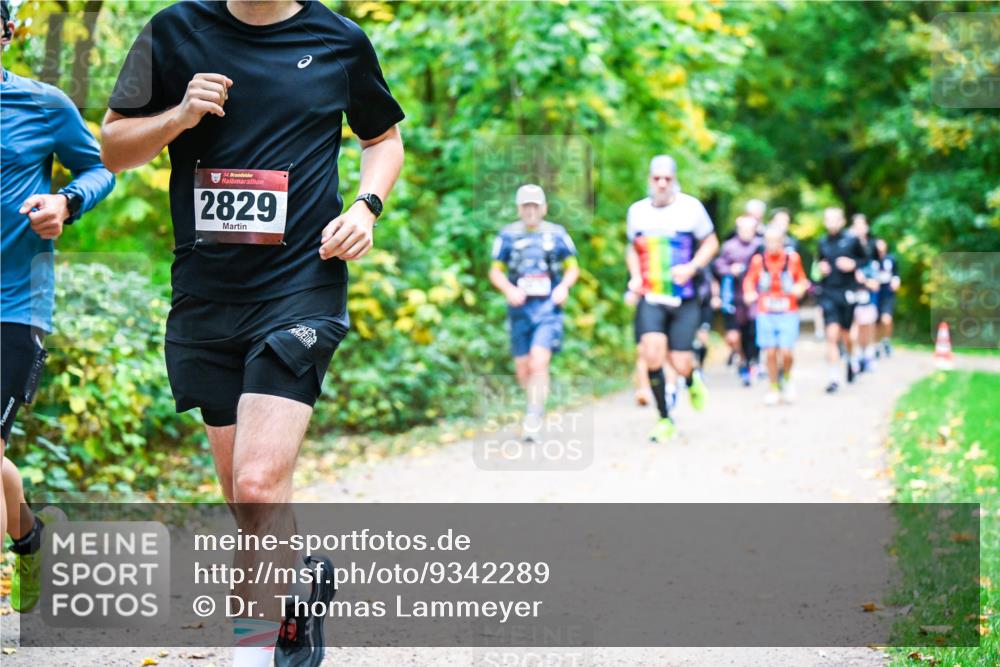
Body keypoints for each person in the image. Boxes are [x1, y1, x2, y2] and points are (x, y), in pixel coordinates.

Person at [102, 2, 405, 665]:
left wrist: (366, 206)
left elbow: (381, 139)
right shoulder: (173, 32)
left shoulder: (337, 40)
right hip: (208, 296)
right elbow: (110, 148)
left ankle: (252, 656)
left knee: (261, 483)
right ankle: (297, 589)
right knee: (247, 500)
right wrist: (178, 115)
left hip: (303, 283)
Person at [0, 0, 115, 613]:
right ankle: (30, 538)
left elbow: (99, 168)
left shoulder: (42, 105)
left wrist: (66, 202)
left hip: (13, 307)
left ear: (6, 31)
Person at [626, 155, 719, 442]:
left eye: (667, 178)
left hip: (684, 297)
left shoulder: (691, 208)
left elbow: (711, 242)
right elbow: (632, 248)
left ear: (674, 179)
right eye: (657, 178)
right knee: (652, 354)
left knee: (679, 361)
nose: (662, 183)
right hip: (652, 296)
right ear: (650, 180)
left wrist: (692, 267)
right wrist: (635, 276)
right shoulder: (638, 211)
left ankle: (691, 380)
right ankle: (665, 418)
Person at [489, 184, 579, 440]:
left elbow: (572, 267)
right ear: (519, 208)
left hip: (547, 308)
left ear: (544, 208)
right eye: (526, 206)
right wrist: (508, 289)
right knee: (523, 368)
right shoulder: (507, 236)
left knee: (540, 361)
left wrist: (563, 287)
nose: (531, 211)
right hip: (519, 309)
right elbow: (495, 270)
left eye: (535, 206)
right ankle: (533, 405)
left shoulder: (557, 234)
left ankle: (533, 415)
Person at [743, 226, 810, 405]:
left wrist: (800, 288)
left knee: (786, 351)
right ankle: (773, 386)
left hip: (788, 310)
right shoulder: (758, 260)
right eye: (768, 241)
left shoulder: (792, 259)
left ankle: (786, 378)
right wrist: (749, 292)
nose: (771, 245)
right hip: (766, 311)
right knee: (770, 352)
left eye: (775, 241)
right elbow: (750, 280)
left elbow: (802, 279)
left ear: (782, 242)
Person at [815, 207, 866, 394]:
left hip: (847, 292)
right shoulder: (822, 242)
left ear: (842, 221)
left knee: (846, 335)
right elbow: (817, 265)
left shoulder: (852, 240)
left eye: (835, 219)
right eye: (828, 219)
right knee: (831, 335)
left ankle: (852, 360)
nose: (831, 223)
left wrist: (853, 265)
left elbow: (865, 261)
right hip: (828, 292)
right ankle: (834, 378)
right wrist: (820, 268)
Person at [713, 214, 761, 386]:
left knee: (752, 334)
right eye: (743, 229)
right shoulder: (729, 247)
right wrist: (729, 269)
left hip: (754, 299)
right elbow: (717, 266)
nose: (746, 232)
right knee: (734, 335)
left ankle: (751, 363)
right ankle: (741, 360)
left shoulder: (760, 246)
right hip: (732, 297)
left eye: (750, 229)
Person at [848, 214, 880, 373]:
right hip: (851, 290)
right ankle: (855, 356)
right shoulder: (847, 244)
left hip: (868, 290)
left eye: (863, 224)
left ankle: (867, 354)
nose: (860, 228)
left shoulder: (873, 245)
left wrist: (871, 281)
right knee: (853, 325)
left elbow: (876, 266)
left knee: (867, 324)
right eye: (857, 225)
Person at [874, 237, 900, 358]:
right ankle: (877, 344)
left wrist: (896, 281)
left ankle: (886, 340)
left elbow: (896, 274)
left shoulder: (891, 259)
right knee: (876, 322)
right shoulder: (872, 260)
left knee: (886, 319)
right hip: (875, 293)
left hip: (887, 293)